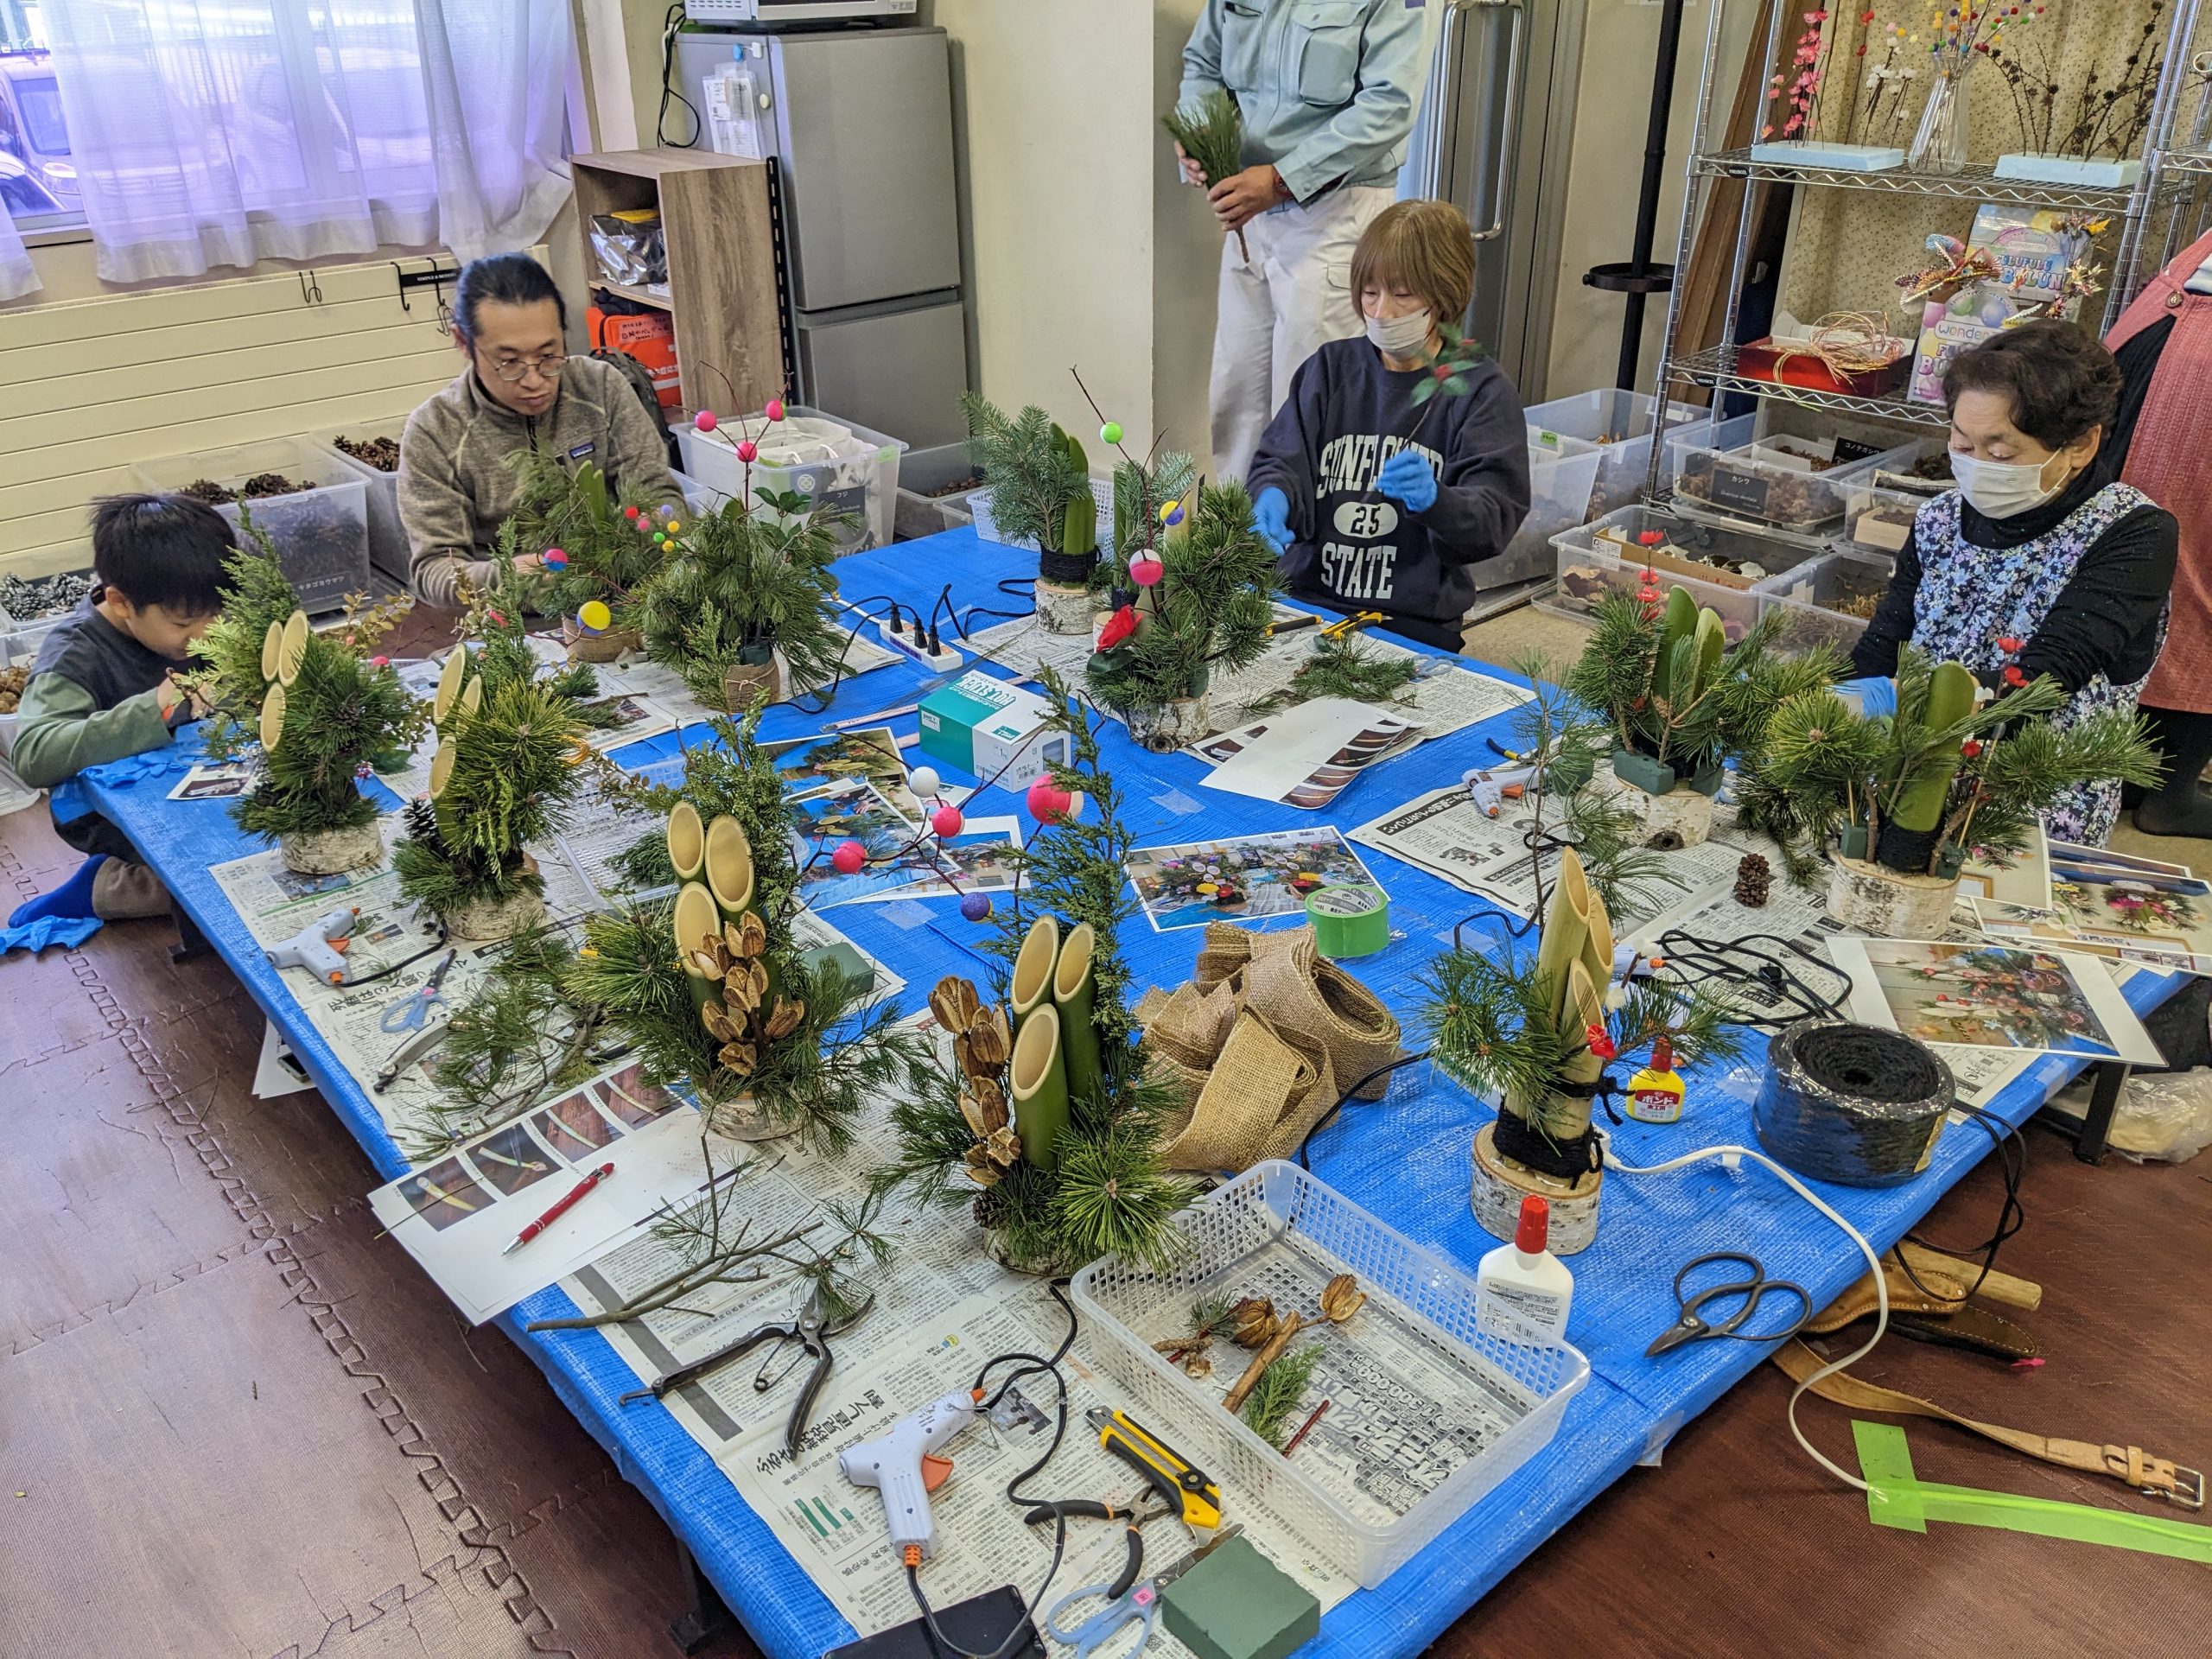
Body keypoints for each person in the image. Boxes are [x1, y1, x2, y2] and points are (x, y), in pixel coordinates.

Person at [1844, 320, 2177, 845]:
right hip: (1902, 776)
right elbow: (1887, 641)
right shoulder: (1939, 519)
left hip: (2028, 806)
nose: (1977, 467)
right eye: (1962, 444)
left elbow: (2043, 682)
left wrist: (1893, 702)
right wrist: (1832, 704)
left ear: (2081, 444)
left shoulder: (2132, 534)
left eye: (2000, 454)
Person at [1244, 199, 1530, 652]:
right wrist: (1272, 496)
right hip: (1307, 604)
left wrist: (1438, 501)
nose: (1382, 312)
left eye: (1403, 295)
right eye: (1370, 293)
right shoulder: (1329, 370)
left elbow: (1494, 517)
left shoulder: (1480, 390)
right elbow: (1281, 459)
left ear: (1444, 294)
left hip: (1411, 622)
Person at [1178, 0, 1430, 484]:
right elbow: (1203, 63)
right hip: (1250, 212)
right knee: (1235, 400)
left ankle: (1304, 533)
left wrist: (1281, 180)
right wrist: (1198, 131)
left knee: (1310, 405)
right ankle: (1240, 529)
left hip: (1333, 212)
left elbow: (1390, 105)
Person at [399, 251, 680, 609]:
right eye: (509, 362)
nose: (534, 381)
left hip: (623, 597)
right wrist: (509, 577)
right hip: (509, 617)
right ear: (463, 342)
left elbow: (660, 494)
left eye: (549, 356)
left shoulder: (601, 387)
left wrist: (648, 530)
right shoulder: (435, 431)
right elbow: (434, 569)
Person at [7, 495, 229, 925]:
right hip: (109, 812)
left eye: (215, 616)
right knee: (216, 880)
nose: (204, 635)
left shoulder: (196, 607)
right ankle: (105, 887)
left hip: (202, 777)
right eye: (183, 625)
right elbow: (34, 755)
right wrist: (153, 708)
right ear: (122, 602)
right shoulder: (75, 652)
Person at [2102, 225, 2212, 837]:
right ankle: (2171, 794)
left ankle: (2124, 769)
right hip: (2196, 367)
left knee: (2139, 556)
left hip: (2160, 332)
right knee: (2191, 575)